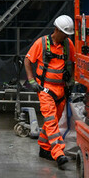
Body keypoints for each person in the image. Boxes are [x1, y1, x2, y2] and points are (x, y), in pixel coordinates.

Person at [23, 15, 76, 169]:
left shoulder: (68, 45)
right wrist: (31, 80)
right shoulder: (42, 43)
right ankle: (59, 153)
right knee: (51, 121)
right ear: (57, 29)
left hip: (61, 91)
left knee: (51, 123)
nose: (66, 36)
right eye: (65, 33)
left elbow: (72, 63)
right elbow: (27, 60)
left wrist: (71, 81)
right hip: (46, 90)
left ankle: (44, 149)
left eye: (68, 35)